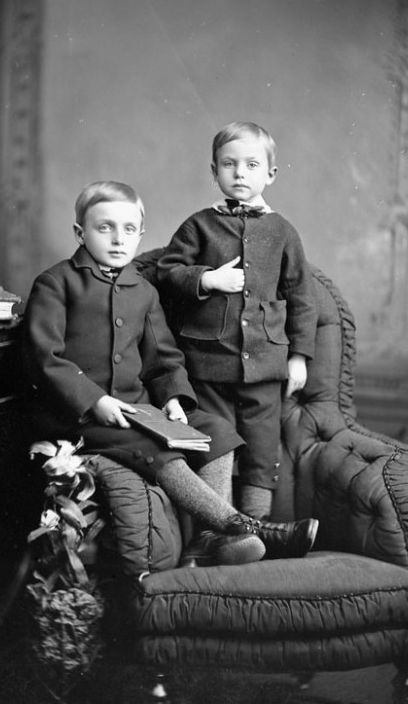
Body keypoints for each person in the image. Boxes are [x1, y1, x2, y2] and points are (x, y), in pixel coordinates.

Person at [21, 180, 318, 569]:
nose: (117, 239)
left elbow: (163, 360)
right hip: (79, 417)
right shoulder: (55, 283)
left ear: (140, 234)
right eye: (104, 227)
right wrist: (95, 399)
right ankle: (249, 528)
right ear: (80, 232)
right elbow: (45, 358)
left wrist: (174, 400)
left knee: (217, 432)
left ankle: (206, 540)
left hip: (138, 410)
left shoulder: (142, 290)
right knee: (161, 452)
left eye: (128, 229)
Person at [157, 122, 317, 520]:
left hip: (265, 363)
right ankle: (221, 527)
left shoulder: (283, 232)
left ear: (270, 174)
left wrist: (299, 357)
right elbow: (167, 271)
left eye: (251, 164)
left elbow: (302, 297)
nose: (240, 173)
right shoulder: (199, 225)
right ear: (214, 172)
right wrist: (207, 279)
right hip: (208, 360)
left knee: (263, 449)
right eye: (229, 164)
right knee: (218, 443)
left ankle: (256, 527)